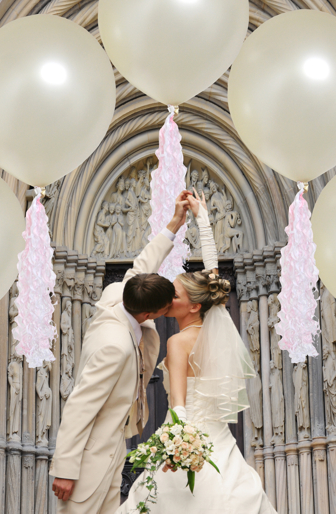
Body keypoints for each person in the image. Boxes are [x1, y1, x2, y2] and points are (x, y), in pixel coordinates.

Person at [117, 189, 277, 514]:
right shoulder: (211, 323)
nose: (168, 298)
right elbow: (212, 273)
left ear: (192, 305)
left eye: (174, 294)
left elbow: (178, 406)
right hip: (219, 440)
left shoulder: (178, 342)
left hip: (189, 441)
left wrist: (179, 448)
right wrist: (201, 219)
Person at [50, 191, 191, 514]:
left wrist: (174, 224)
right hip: (92, 456)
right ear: (149, 315)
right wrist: (66, 470)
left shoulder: (118, 294)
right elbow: (81, 405)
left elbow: (142, 265)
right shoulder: (113, 346)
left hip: (116, 441)